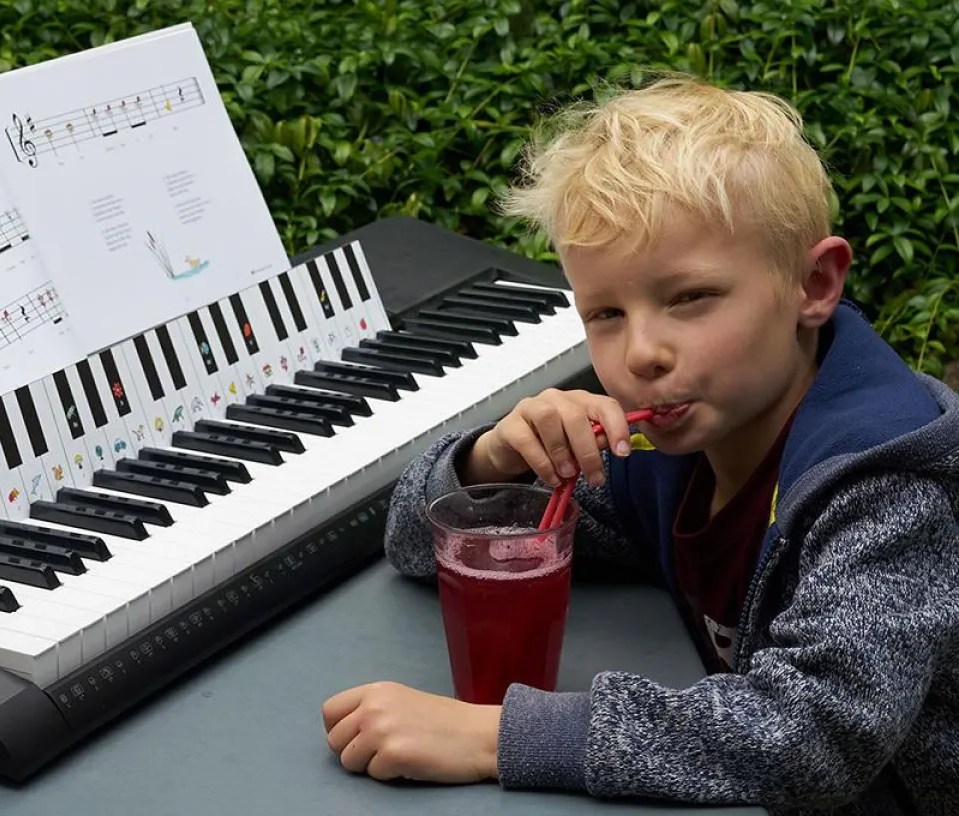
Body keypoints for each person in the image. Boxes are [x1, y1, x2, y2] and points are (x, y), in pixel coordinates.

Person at [320, 74, 959, 814]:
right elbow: (415, 543)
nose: (641, 354)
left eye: (689, 299)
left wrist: (493, 738)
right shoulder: (670, 451)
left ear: (813, 284)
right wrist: (493, 457)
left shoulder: (885, 488)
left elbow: (811, 737)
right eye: (606, 313)